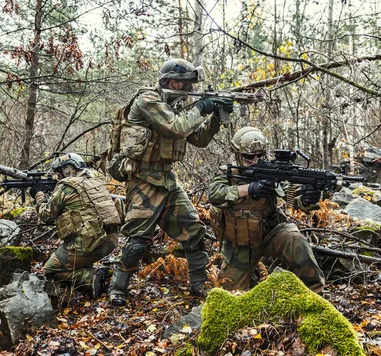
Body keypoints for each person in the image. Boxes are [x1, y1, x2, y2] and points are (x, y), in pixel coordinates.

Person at [107, 58, 235, 306]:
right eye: (183, 84)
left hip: (166, 178)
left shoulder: (175, 105)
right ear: (170, 81)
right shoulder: (148, 100)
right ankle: (117, 289)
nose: (186, 89)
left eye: (188, 85)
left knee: (194, 232)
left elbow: (198, 139)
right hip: (143, 178)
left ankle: (200, 288)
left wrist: (216, 115)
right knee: (137, 241)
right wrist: (201, 106)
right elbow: (176, 127)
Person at [208, 127, 325, 293]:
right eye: (249, 157)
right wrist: (249, 189)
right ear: (237, 154)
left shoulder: (270, 170)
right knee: (229, 294)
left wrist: (307, 199)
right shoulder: (229, 172)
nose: (255, 161)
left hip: (270, 235)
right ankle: (254, 276)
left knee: (296, 241)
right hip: (241, 246)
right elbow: (214, 194)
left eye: (259, 156)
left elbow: (292, 196)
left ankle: (316, 296)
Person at [31, 153, 122, 299]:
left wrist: (39, 195)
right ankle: (100, 273)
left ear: (69, 169)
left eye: (60, 172)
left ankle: (91, 277)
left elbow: (45, 216)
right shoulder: (96, 182)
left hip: (89, 245)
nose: (59, 176)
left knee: (50, 269)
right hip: (110, 242)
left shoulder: (66, 187)